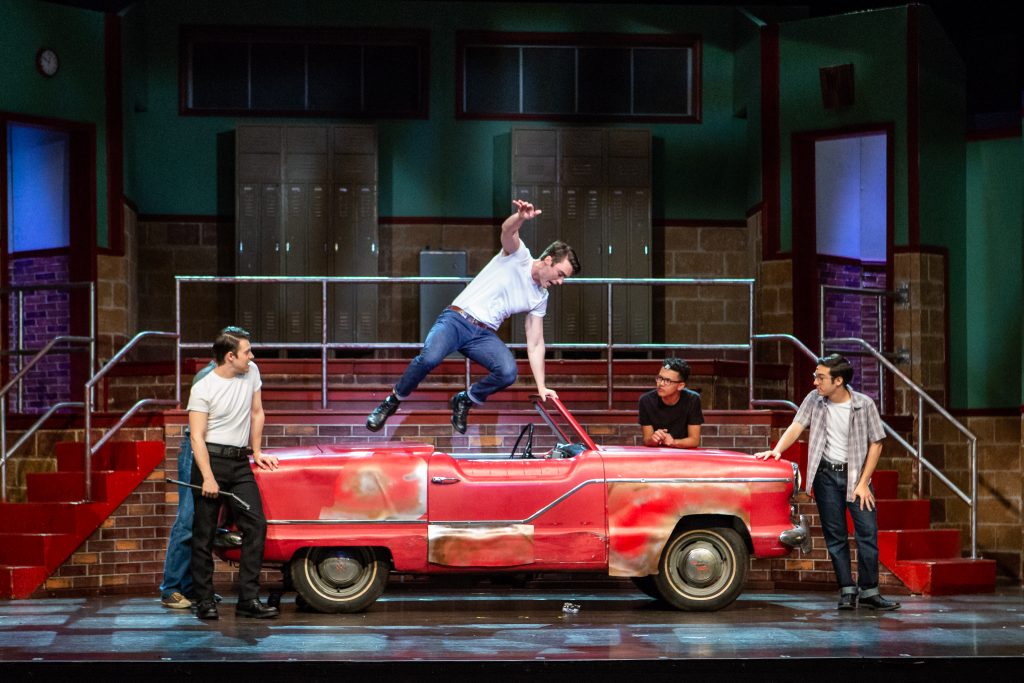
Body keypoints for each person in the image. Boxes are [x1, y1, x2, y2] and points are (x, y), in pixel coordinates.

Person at [366, 199, 580, 434]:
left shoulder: (540, 296)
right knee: (429, 358)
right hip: (456, 320)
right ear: (548, 260)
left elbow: (536, 342)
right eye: (560, 274)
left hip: (483, 335)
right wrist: (520, 217)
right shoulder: (519, 256)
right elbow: (508, 231)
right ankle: (392, 401)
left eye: (564, 279)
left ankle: (465, 399)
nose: (559, 282)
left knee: (508, 371)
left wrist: (542, 386)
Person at [756, 353, 900, 611]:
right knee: (835, 536)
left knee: (867, 534)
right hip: (826, 476)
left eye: (820, 377)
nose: (815, 382)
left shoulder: (863, 404)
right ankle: (846, 589)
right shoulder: (815, 400)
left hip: (856, 477)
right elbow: (797, 425)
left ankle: (869, 591)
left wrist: (864, 482)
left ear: (839, 381)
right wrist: (777, 450)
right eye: (815, 376)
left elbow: (877, 443)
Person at [188, 327, 280, 620]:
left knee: (256, 525)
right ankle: (204, 600)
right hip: (210, 461)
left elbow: (257, 412)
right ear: (230, 356)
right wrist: (208, 477)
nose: (251, 356)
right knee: (203, 534)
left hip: (239, 464)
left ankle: (248, 600)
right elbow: (197, 438)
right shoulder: (203, 388)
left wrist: (257, 451)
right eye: (246, 351)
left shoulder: (251, 372)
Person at [159, 358, 215, 609]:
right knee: (188, 518)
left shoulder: (241, 378)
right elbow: (198, 430)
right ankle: (171, 588)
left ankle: (191, 586)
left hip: (215, 450)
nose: (251, 357)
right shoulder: (208, 376)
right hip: (196, 450)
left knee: (203, 520)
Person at [639, 358, 704, 448]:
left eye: (667, 381)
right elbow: (647, 440)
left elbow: (694, 440)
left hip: (683, 454)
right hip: (657, 454)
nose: (660, 383)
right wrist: (653, 439)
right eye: (659, 378)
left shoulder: (693, 399)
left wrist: (673, 442)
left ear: (680, 386)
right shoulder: (646, 400)